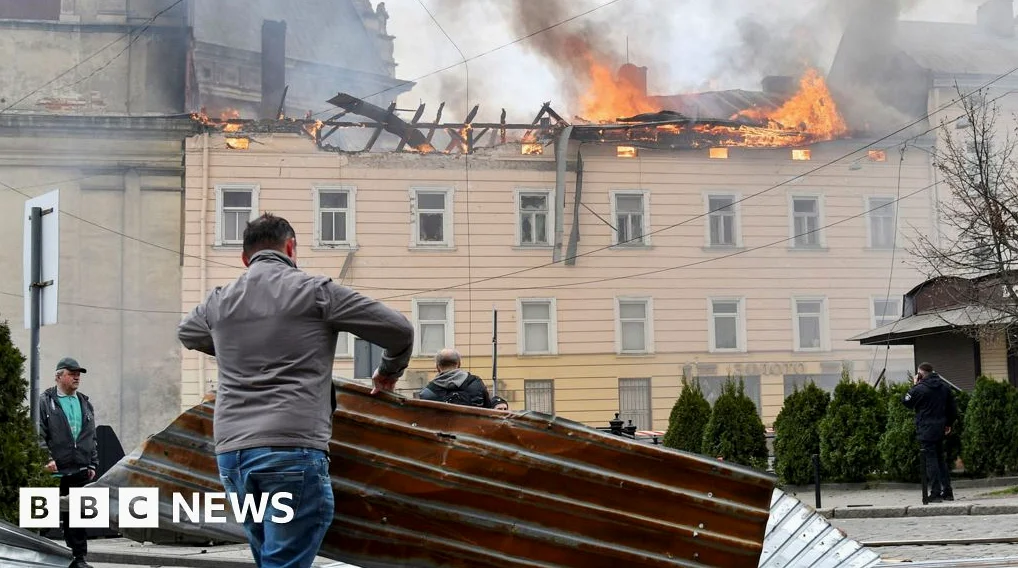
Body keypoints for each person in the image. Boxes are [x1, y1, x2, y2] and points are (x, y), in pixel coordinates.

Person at [178, 213, 413, 568]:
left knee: (270, 558)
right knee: (282, 561)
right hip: (291, 449)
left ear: (244, 258)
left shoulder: (218, 301)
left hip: (233, 455)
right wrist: (387, 373)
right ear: (290, 248)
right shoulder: (317, 293)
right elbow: (399, 330)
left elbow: (187, 332)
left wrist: (235, 349)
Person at [38, 357, 98, 568]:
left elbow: (91, 436)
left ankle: (78, 558)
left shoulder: (85, 402)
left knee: (77, 516)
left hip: (79, 469)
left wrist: (92, 463)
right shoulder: (45, 402)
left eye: (78, 374)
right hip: (54, 470)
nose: (77, 377)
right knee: (44, 515)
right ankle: (36, 557)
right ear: (58, 376)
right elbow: (38, 433)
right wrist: (46, 458)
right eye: (72, 373)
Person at [902, 362, 958, 503]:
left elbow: (906, 402)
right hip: (940, 428)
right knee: (940, 459)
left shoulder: (920, 388)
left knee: (930, 460)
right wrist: (948, 424)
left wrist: (915, 384)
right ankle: (948, 491)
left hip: (926, 428)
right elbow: (952, 409)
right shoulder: (944, 387)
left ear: (920, 374)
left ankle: (935, 493)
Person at [419, 348, 492, 408]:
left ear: (437, 367)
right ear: (459, 364)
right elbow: (488, 408)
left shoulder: (427, 393)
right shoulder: (476, 384)